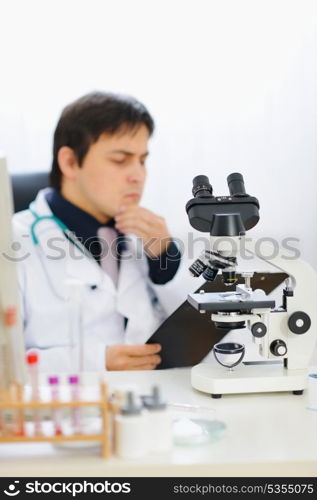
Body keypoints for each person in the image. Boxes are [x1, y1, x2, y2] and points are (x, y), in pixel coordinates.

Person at [12, 92, 181, 372]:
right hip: (65, 410)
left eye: (142, 160)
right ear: (69, 162)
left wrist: (166, 260)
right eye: (120, 160)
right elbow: (5, 366)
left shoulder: (149, 237)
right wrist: (94, 362)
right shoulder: (13, 240)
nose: (138, 175)